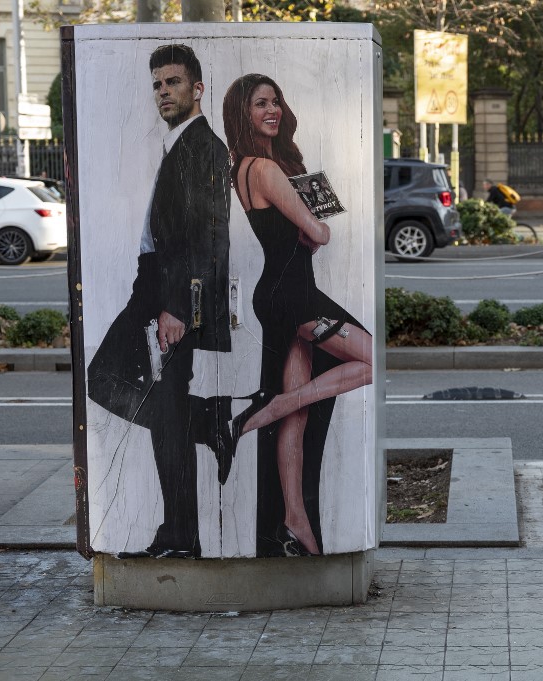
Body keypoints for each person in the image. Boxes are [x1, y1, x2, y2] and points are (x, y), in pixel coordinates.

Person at [87, 44, 232, 559]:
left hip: (173, 295)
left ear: (197, 89)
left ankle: (179, 534)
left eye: (172, 82)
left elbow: (208, 238)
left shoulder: (205, 148)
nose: (163, 92)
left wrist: (177, 307)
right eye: (157, 84)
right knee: (115, 384)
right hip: (154, 287)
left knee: (134, 392)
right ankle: (209, 422)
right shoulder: (179, 145)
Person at [222, 73, 373, 557]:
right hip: (293, 297)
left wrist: (304, 225)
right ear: (242, 114)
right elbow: (318, 233)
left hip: (280, 292)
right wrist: (317, 225)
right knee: (371, 359)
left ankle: (295, 521)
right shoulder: (264, 169)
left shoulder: (242, 169)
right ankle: (266, 409)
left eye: (276, 102)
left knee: (301, 419)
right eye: (260, 104)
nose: (273, 110)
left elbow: (290, 232)